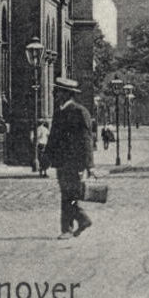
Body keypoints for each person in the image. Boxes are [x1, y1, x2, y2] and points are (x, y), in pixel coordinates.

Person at [44, 78, 95, 240]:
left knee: (68, 194)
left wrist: (89, 165)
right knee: (68, 194)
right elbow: (53, 138)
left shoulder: (80, 112)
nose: (54, 94)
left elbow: (87, 139)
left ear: (66, 94)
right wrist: (46, 158)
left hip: (75, 162)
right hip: (62, 162)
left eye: (57, 92)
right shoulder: (59, 112)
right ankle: (76, 223)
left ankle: (73, 225)